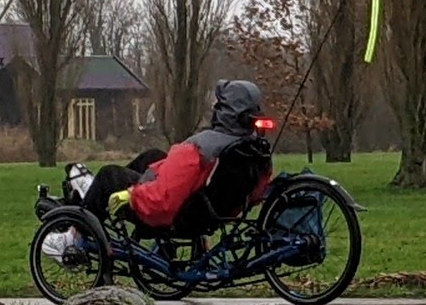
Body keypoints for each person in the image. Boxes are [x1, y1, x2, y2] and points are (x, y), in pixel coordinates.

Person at [69, 79, 274, 240]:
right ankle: (93, 194)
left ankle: (75, 234)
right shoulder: (250, 149)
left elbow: (163, 201)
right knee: (153, 156)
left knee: (109, 175)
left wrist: (131, 195)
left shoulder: (199, 148)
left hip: (174, 216)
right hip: (207, 212)